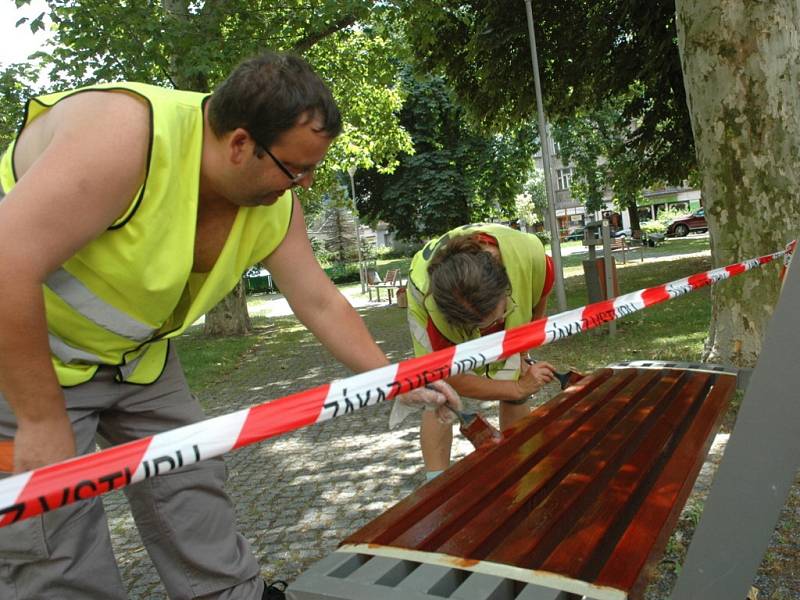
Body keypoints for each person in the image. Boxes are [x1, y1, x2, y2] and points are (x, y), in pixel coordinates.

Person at [0, 51, 458, 600]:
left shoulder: (273, 203)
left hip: (138, 359)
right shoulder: (121, 137)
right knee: (54, 533)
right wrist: (38, 419)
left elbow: (318, 301)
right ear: (240, 143)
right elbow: (6, 264)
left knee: (192, 483)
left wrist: (393, 376)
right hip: (23, 363)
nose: (306, 185)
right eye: (296, 169)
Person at [406, 223, 556, 481]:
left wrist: (522, 355)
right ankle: (435, 483)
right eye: (479, 326)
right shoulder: (432, 308)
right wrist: (519, 387)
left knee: (511, 374)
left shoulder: (531, 258)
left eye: (496, 318)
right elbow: (453, 377)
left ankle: (520, 470)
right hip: (427, 299)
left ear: (505, 285)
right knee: (437, 393)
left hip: (504, 276)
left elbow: (536, 306)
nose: (489, 330)